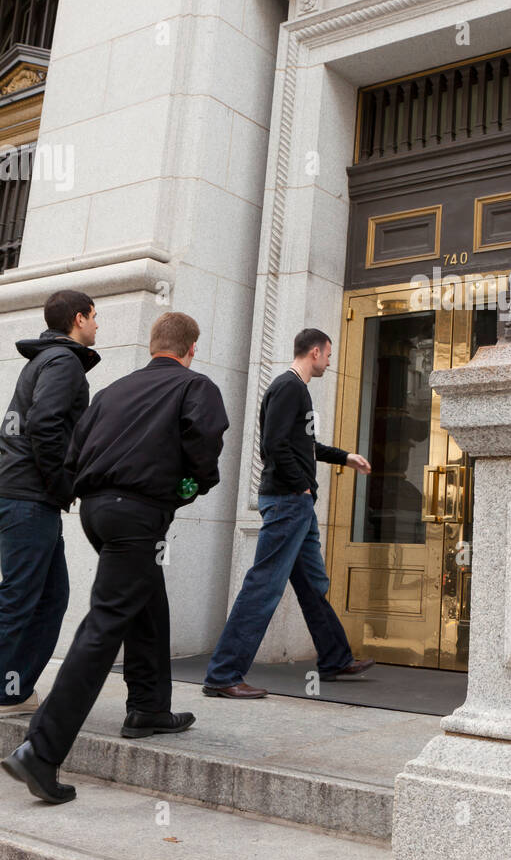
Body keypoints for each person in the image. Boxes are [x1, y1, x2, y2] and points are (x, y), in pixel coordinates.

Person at [1, 313, 228, 804]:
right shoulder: (195, 386)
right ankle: (40, 750)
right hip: (138, 514)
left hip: (97, 513)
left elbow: (72, 453)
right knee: (104, 623)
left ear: (153, 347)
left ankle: (148, 707)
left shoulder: (112, 390)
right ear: (191, 348)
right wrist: (188, 488)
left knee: (147, 601)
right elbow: (204, 447)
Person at [203, 327, 374, 700]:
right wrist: (301, 486)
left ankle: (334, 658)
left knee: (313, 585)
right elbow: (273, 445)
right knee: (263, 586)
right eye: (328, 354)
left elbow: (304, 446)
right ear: (314, 352)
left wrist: (344, 457)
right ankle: (223, 674)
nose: (330, 361)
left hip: (297, 504)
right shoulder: (288, 387)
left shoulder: (298, 389)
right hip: (287, 502)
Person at [0, 290, 100, 717]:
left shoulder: (45, 359)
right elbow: (43, 424)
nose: (98, 325)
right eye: (95, 317)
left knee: (50, 596)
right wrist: (61, 485)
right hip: (30, 498)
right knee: (22, 598)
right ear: (79, 319)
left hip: (25, 496)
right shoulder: (63, 362)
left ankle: (13, 689)